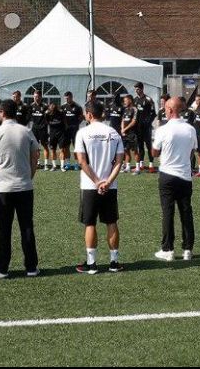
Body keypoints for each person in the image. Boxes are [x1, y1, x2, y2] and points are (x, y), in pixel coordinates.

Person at [0, 100, 40, 278]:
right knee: (27, 227)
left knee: (4, 229)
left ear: (1, 112)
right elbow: (35, 157)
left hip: (3, 189)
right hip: (24, 186)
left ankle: (2, 268)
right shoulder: (26, 131)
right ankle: (31, 267)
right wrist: (28, 176)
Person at [75, 101, 125, 275]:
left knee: (90, 223)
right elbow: (119, 162)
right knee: (111, 222)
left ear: (88, 115)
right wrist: (108, 182)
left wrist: (97, 182)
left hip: (90, 186)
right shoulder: (114, 133)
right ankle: (114, 262)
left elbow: (82, 161)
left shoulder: (82, 133)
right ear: (102, 114)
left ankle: (92, 264)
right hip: (110, 187)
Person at [152, 98, 197, 262]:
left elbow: (155, 152)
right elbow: (192, 151)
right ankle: (187, 249)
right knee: (186, 212)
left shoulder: (162, 129)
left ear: (170, 110)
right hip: (185, 175)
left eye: (165, 108)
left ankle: (168, 249)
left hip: (167, 174)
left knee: (167, 212)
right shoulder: (190, 129)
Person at [133, 82, 157, 173]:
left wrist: (148, 122)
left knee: (148, 145)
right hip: (137, 128)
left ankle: (151, 165)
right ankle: (142, 164)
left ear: (142, 89)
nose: (136, 91)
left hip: (146, 128)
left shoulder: (148, 99)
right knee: (140, 146)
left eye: (138, 89)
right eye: (135, 89)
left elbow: (153, 113)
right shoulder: (134, 100)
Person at [60, 91, 84, 171]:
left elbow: (81, 118)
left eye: (68, 98)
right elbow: (60, 117)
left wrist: (75, 124)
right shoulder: (62, 107)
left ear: (71, 97)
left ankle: (77, 164)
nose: (67, 100)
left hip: (75, 130)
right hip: (65, 131)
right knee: (66, 147)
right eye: (65, 98)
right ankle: (67, 163)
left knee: (76, 147)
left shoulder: (77, 107)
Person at [121, 95, 141, 174]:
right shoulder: (125, 110)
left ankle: (138, 169)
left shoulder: (135, 109)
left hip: (133, 133)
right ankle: (128, 167)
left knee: (135, 151)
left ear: (130, 100)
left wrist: (125, 129)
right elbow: (123, 120)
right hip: (125, 134)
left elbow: (134, 121)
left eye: (126, 100)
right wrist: (122, 129)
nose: (124, 102)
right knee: (126, 150)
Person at [30, 91, 50, 170]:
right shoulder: (31, 106)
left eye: (38, 96)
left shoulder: (45, 106)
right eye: (35, 96)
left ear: (41, 97)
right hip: (34, 129)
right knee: (35, 147)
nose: (36, 98)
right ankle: (37, 163)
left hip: (43, 129)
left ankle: (46, 164)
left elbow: (49, 117)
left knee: (45, 146)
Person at [46, 102, 65, 171]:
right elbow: (46, 122)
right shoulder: (47, 114)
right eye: (51, 107)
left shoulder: (60, 113)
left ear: (56, 107)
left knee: (62, 150)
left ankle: (62, 166)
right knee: (53, 150)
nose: (52, 108)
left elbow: (64, 122)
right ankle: (54, 166)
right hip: (52, 134)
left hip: (61, 133)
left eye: (54, 107)